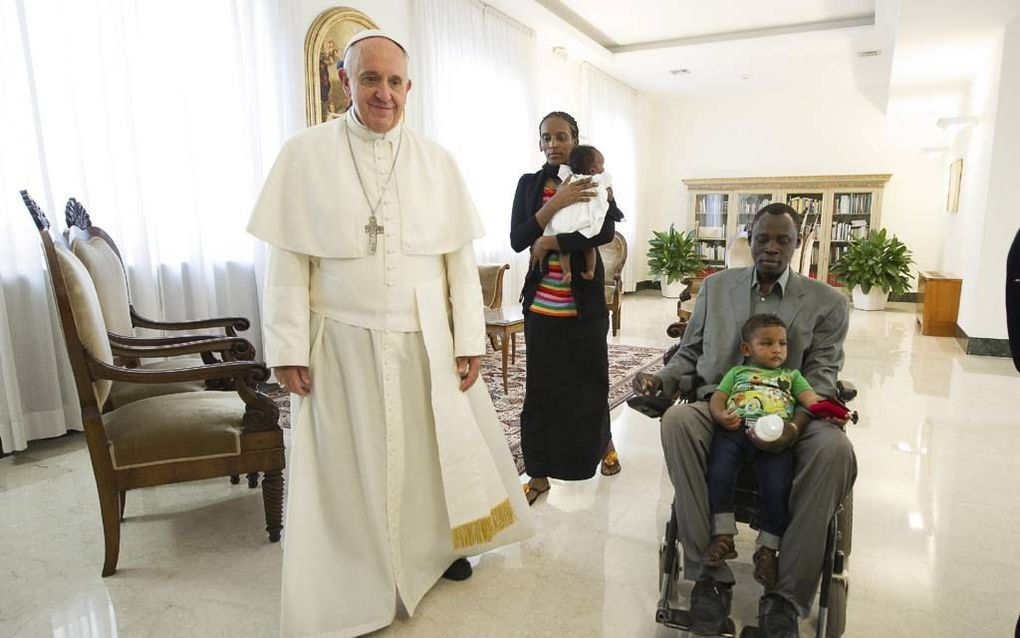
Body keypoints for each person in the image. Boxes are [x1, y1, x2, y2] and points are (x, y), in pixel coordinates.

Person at [247, 30, 532, 637]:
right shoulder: (303, 154)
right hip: (341, 340)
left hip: (423, 335)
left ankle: (435, 552)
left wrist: (468, 338)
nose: (384, 93)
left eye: (395, 81)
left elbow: (458, 257)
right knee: (351, 466)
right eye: (370, 79)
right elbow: (288, 264)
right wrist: (288, 347)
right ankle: (356, 572)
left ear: (409, 88)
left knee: (429, 456)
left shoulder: (437, 159)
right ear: (344, 83)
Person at [633, 202, 855, 638]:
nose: (771, 248)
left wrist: (791, 426)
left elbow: (821, 378)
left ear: (797, 244)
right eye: (763, 238)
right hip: (720, 409)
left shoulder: (827, 303)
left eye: (782, 240)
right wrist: (663, 379)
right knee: (678, 424)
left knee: (835, 450)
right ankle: (709, 579)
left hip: (789, 414)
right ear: (748, 241)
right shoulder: (716, 289)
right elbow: (691, 353)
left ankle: (785, 598)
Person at [510, 111, 624, 504]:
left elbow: (607, 230)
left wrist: (552, 243)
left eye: (561, 136)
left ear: (575, 139)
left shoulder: (592, 179)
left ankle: (603, 444)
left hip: (584, 306)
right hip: (542, 307)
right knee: (540, 392)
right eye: (546, 138)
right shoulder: (529, 185)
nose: (553, 143)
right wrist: (555, 204)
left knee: (590, 384)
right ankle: (538, 474)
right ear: (539, 143)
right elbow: (518, 237)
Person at [705, 313, 824, 591]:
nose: (777, 350)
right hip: (735, 430)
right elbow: (719, 397)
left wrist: (831, 411)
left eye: (782, 344)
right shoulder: (738, 373)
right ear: (746, 349)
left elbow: (812, 400)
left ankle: (768, 550)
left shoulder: (791, 377)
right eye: (767, 343)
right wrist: (721, 415)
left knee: (779, 486)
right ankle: (723, 535)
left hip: (776, 438)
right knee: (718, 471)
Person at [543, 144, 611, 283]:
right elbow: (606, 189)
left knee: (564, 249)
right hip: (586, 219)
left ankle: (566, 272)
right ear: (592, 169)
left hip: (568, 220)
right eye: (601, 165)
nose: (603, 169)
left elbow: (607, 234)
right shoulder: (596, 179)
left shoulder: (569, 177)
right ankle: (590, 270)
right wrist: (608, 192)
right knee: (589, 248)